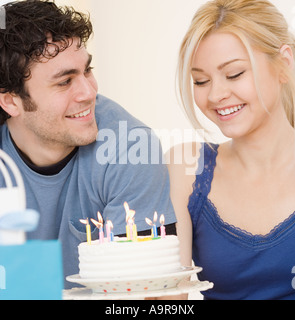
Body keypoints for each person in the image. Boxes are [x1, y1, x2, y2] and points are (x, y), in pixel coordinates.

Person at [0, 0, 176, 289]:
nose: (89, 91)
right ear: (10, 101)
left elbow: (143, 295)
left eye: (87, 70)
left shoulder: (132, 147)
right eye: (64, 81)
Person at [168, 0, 295, 300]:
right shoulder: (186, 167)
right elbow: (168, 303)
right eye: (200, 80)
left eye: (234, 74)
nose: (215, 95)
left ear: (284, 64)